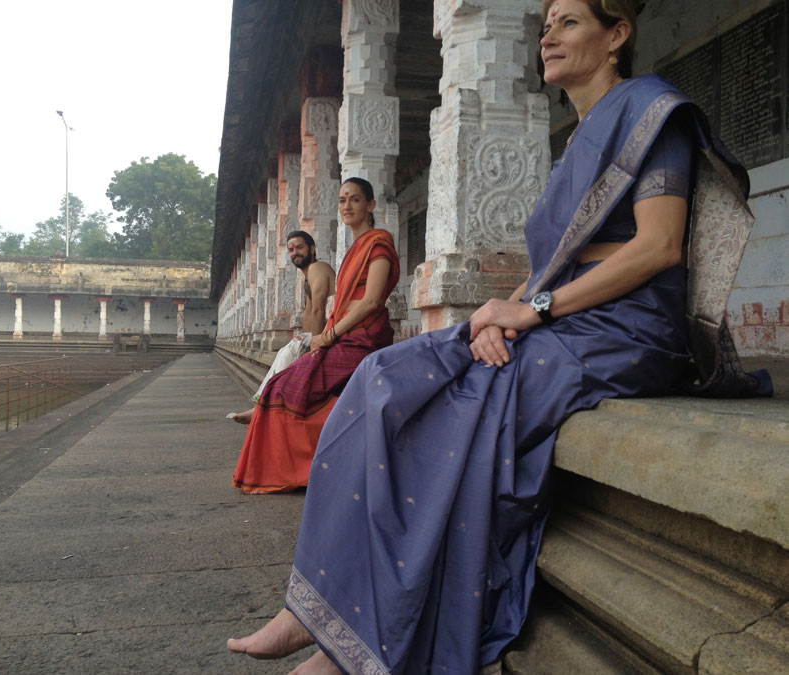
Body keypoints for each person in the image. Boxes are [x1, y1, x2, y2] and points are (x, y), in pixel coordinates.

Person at [227, 0, 772, 672]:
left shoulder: (653, 112)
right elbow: (549, 268)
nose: (548, 34)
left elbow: (657, 248)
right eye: (544, 23)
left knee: (460, 409)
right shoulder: (578, 139)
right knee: (381, 380)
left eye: (569, 21)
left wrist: (534, 309)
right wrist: (497, 310)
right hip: (561, 315)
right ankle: (311, 610)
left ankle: (356, 647)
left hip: (627, 330)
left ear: (617, 35)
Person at [232, 177, 401, 494]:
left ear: (370, 206)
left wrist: (328, 335)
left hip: (364, 337)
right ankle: (299, 465)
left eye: (354, 199)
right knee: (283, 383)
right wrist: (326, 336)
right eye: (341, 200)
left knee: (288, 386)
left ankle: (308, 467)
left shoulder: (378, 244)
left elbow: (371, 300)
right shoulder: (353, 250)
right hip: (344, 333)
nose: (347, 206)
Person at [227, 231, 335, 424]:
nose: (295, 253)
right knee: (287, 352)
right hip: (320, 333)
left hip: (334, 331)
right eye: (291, 249)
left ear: (312, 249)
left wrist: (315, 345)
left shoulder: (318, 268)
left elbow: (319, 309)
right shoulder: (306, 275)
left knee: (287, 352)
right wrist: (307, 339)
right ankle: (262, 404)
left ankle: (259, 406)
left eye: (300, 247)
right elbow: (308, 312)